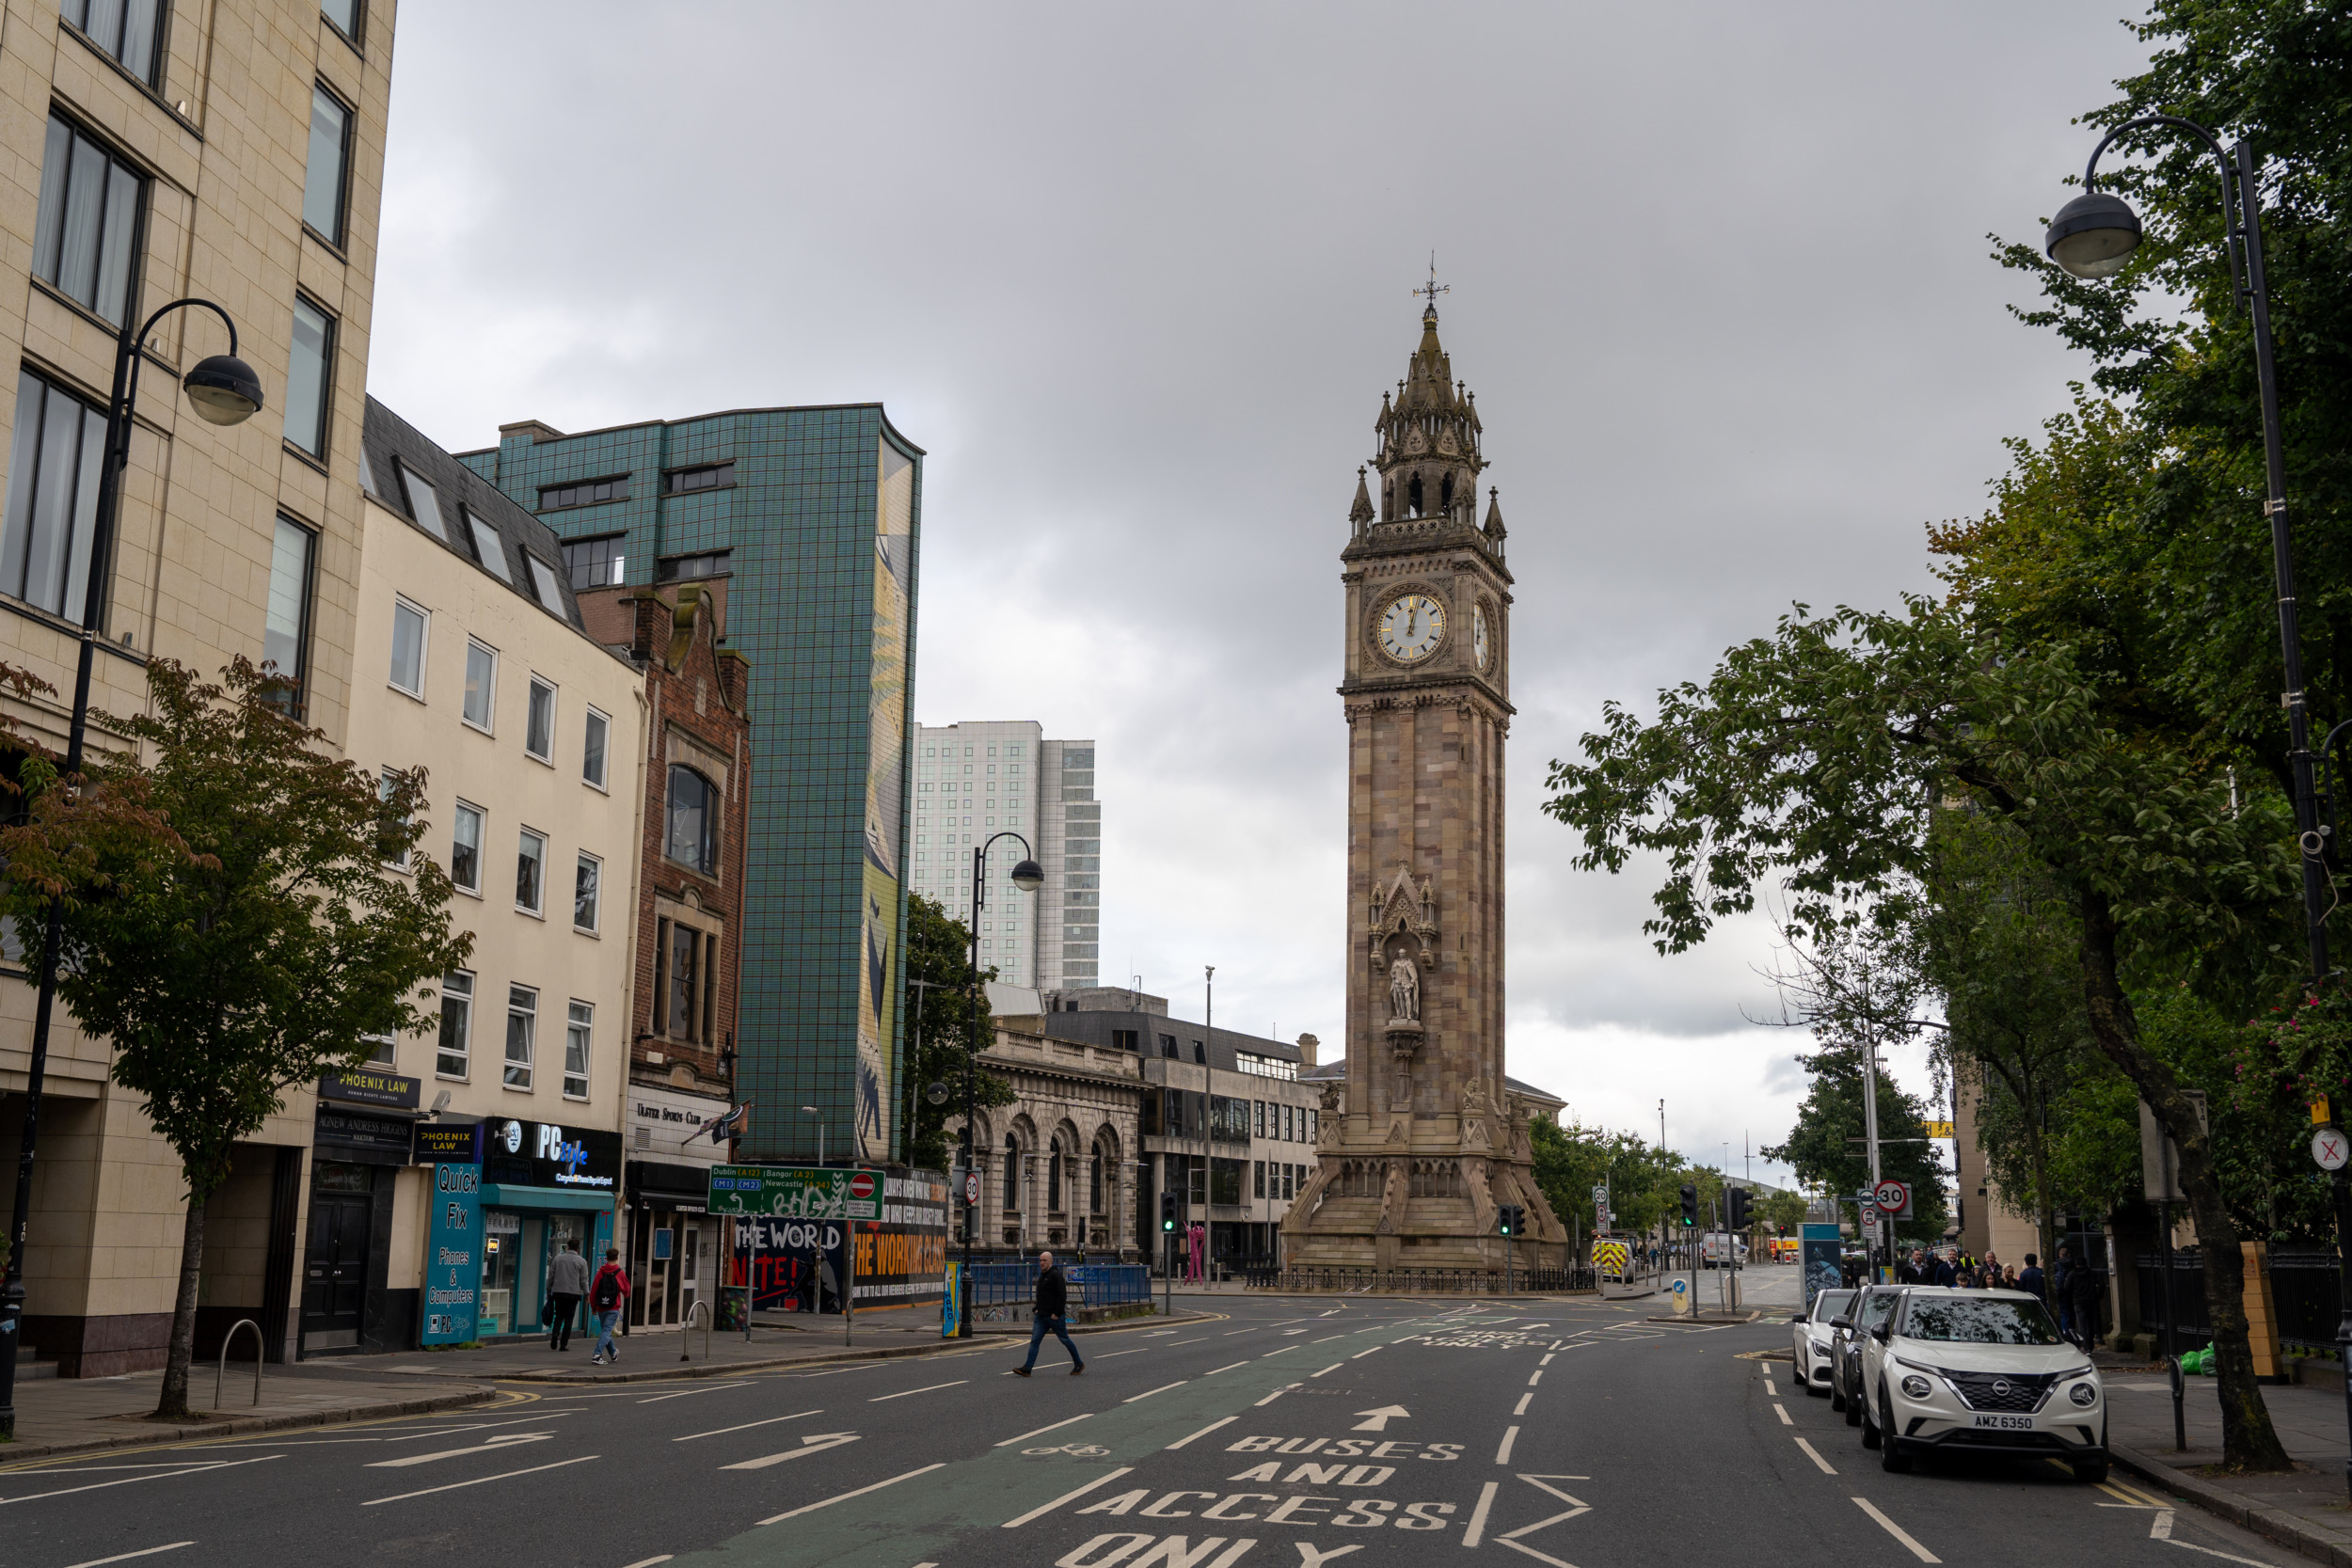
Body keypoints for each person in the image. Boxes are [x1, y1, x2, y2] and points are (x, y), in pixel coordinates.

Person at [1013, 1250, 1085, 1377]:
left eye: (1044, 1260)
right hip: (1041, 1316)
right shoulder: (1043, 1275)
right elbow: (1042, 1295)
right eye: (1040, 1260)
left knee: (1065, 1340)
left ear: (1051, 1261)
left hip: (1054, 1316)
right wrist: (1036, 1308)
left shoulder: (1055, 1275)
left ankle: (1079, 1363)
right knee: (1034, 1341)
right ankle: (1027, 1368)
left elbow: (1062, 1295)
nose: (1042, 1263)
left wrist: (1057, 1313)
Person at [546, 1239, 589, 1351]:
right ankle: (563, 1344)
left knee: (559, 1316)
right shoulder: (581, 1261)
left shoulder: (558, 1258)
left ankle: (555, 1334)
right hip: (573, 1293)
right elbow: (584, 1280)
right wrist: (586, 1293)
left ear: (568, 1247)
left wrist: (549, 1288)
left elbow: (551, 1275)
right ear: (578, 1248)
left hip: (558, 1292)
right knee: (569, 1319)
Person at [590, 1246, 630, 1365]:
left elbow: (593, 1291)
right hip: (613, 1307)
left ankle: (613, 1353)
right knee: (606, 1331)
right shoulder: (619, 1272)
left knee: (605, 1331)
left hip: (602, 1307)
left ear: (606, 1258)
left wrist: (593, 1307)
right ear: (617, 1258)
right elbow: (627, 1291)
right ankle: (597, 1355)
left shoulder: (600, 1272)